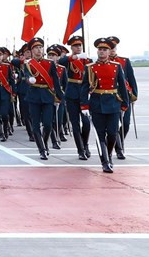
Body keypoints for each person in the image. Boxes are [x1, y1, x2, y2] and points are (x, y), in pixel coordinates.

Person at [86, 38, 130, 173]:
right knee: (100, 135)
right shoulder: (90, 67)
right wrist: (84, 105)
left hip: (113, 103)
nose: (102, 52)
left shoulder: (116, 66)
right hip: (97, 103)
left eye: (105, 50)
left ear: (109, 51)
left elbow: (122, 86)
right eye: (100, 49)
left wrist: (125, 103)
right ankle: (105, 162)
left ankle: (109, 154)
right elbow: (84, 88)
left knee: (112, 133)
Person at [58, 36, 92, 160]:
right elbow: (60, 62)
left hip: (84, 95)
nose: (78, 47)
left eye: (80, 45)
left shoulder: (88, 61)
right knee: (75, 124)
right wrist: (75, 57)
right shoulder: (69, 60)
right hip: (72, 93)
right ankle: (80, 150)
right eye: (75, 46)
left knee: (87, 123)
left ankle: (85, 143)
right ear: (71, 48)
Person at [108, 36, 137, 160]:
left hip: (125, 95)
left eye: (114, 46)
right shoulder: (104, 62)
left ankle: (117, 142)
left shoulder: (124, 61)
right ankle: (119, 149)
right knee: (114, 124)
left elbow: (131, 78)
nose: (113, 49)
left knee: (126, 123)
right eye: (111, 47)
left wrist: (134, 95)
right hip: (112, 96)